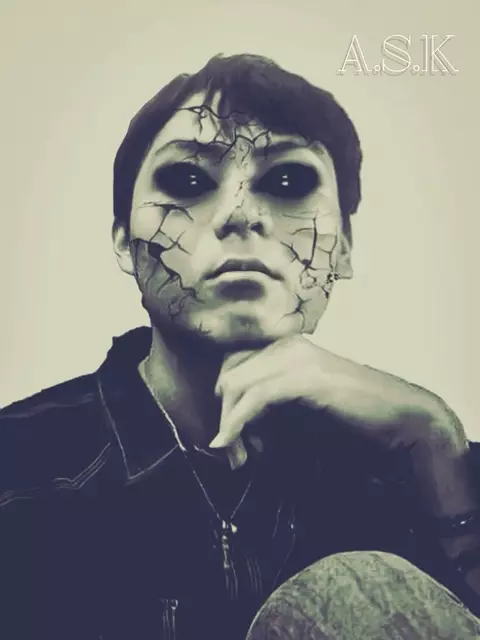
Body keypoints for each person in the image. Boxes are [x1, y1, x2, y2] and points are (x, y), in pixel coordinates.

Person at [1, 53, 480, 640]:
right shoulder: (15, 470)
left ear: (344, 248)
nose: (240, 215)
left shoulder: (413, 468)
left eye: (288, 182)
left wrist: (437, 444)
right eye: (188, 181)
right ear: (124, 240)